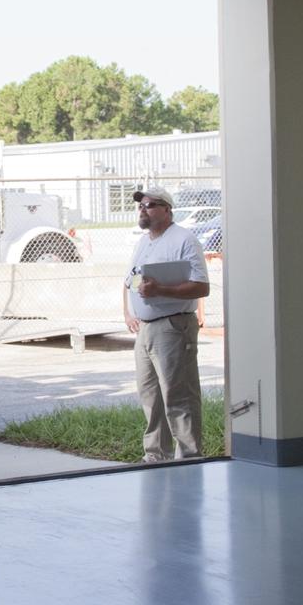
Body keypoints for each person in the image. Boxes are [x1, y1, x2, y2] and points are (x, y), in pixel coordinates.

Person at [121, 185, 210, 463]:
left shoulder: (184, 240)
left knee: (178, 394)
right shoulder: (143, 242)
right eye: (140, 206)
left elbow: (201, 287)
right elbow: (131, 280)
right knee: (150, 396)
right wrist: (129, 309)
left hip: (173, 327)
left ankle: (189, 457)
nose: (143, 209)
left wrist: (160, 291)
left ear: (167, 210)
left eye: (149, 205)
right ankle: (156, 455)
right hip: (145, 328)